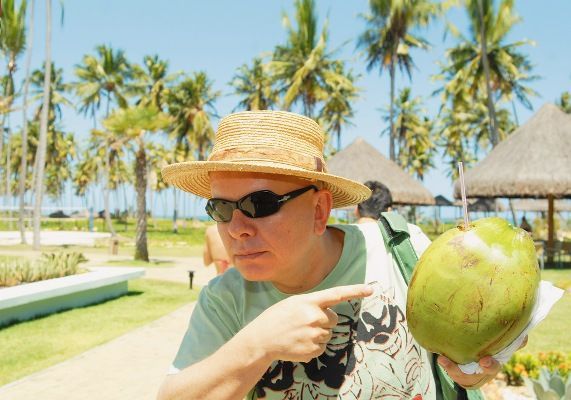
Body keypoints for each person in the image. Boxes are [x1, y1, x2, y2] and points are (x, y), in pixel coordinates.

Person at [157, 110, 499, 400]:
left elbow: (473, 347)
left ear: (319, 210)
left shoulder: (402, 250)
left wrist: (473, 366)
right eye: (221, 208)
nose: (237, 228)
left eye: (258, 204)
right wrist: (257, 344)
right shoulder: (225, 299)